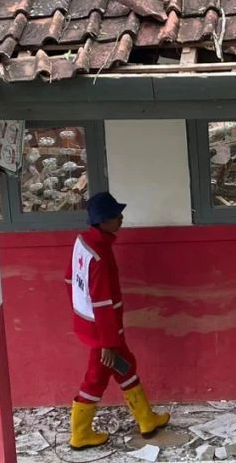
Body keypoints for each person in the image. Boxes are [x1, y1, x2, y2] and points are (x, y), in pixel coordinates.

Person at [65, 191, 170, 450]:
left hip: (94, 328)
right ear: (103, 221)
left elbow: (69, 281)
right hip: (104, 333)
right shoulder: (99, 255)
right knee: (97, 377)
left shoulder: (84, 243)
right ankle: (80, 434)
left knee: (124, 368)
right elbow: (102, 302)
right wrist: (108, 343)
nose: (121, 218)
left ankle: (146, 419)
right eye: (115, 215)